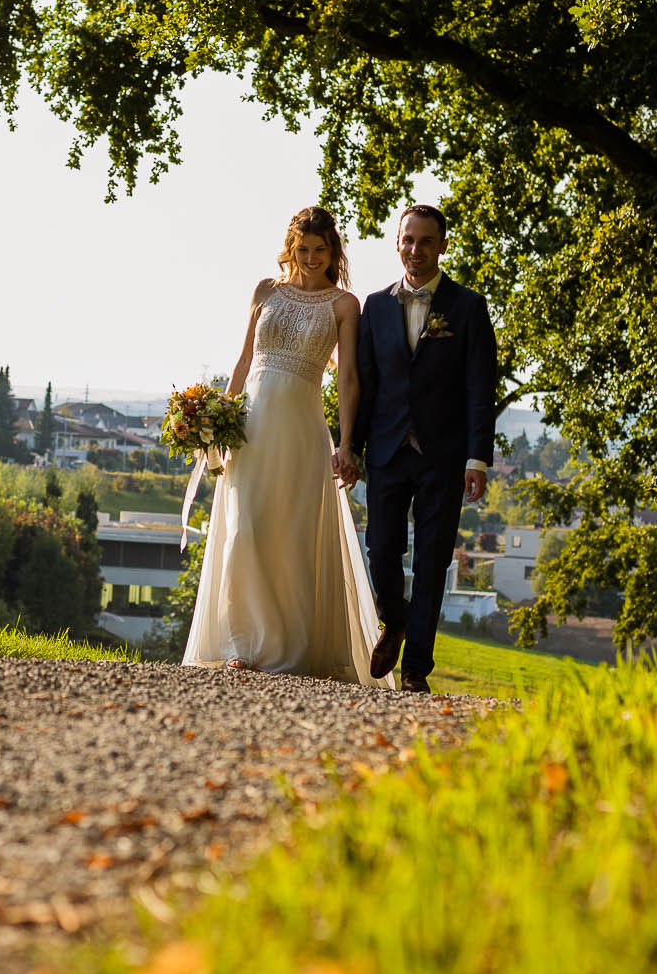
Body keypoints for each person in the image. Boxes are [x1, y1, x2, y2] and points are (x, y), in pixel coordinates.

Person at [182, 207, 391, 686]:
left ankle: (292, 648)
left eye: (320, 250)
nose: (311, 258)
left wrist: (346, 443)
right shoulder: (265, 291)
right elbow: (242, 361)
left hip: (301, 432)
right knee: (245, 531)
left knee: (292, 537)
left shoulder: (344, 304)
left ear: (333, 251)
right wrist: (219, 417)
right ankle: (244, 644)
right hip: (252, 429)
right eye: (303, 250)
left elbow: (349, 379)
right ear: (290, 249)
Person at [347, 204, 499, 694]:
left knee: (432, 560)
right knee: (381, 552)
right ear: (397, 242)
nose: (416, 250)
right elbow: (365, 384)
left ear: (443, 246)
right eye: (408, 240)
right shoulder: (375, 306)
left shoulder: (468, 306)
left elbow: (481, 387)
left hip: (444, 455)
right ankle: (395, 619)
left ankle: (415, 668)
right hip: (387, 453)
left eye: (426, 242)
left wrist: (477, 458)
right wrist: (349, 447)